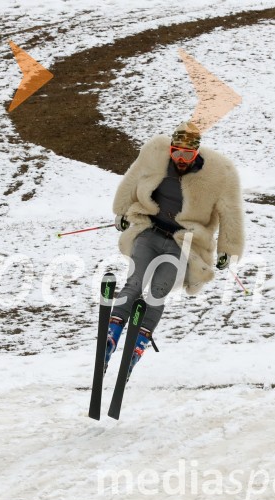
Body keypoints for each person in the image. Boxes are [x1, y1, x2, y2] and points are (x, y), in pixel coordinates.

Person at [105, 121, 245, 376]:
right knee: (135, 282)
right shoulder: (155, 155)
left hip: (183, 245)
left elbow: (230, 211)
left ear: (196, 153)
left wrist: (229, 249)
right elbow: (133, 178)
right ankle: (111, 338)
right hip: (149, 233)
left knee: (157, 292)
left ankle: (136, 349)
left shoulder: (220, 173)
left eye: (188, 154)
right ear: (170, 149)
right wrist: (121, 211)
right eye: (177, 152)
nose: (181, 159)